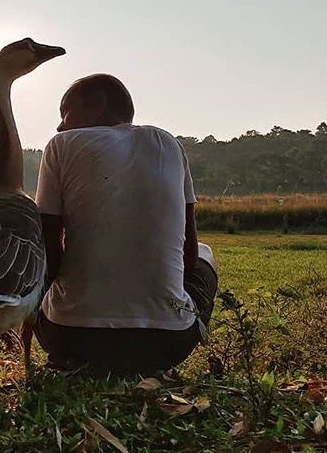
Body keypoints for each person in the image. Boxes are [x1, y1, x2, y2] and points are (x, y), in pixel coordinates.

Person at [34, 73, 218, 374]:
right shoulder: (169, 144)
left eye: (65, 112)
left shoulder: (61, 145)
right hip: (167, 344)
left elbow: (47, 255)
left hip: (68, 338)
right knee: (205, 254)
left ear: (96, 104)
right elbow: (188, 255)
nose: (60, 125)